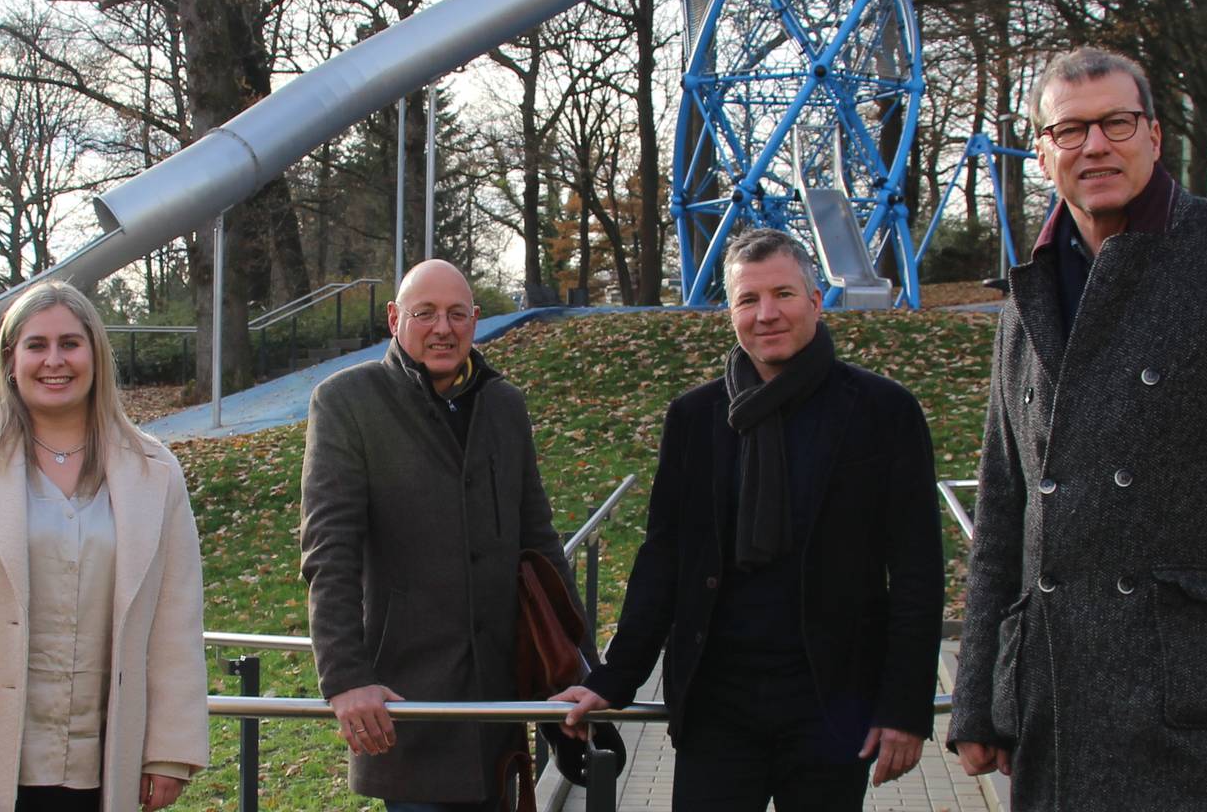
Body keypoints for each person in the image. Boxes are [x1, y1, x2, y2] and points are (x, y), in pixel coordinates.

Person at [947, 47, 1207, 810]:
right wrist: (980, 696)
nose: (1094, 146)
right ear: (1042, 151)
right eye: (1069, 131)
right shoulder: (1025, 293)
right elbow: (1005, 508)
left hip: (1200, 692)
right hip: (1057, 700)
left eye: (1116, 123)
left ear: (1155, 135)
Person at [552, 228, 944, 811]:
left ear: (815, 300)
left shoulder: (881, 411)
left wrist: (905, 707)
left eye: (783, 294)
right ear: (728, 312)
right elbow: (665, 556)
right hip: (717, 705)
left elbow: (916, 568)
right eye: (747, 300)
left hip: (832, 704)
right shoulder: (696, 417)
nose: (766, 314)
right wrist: (615, 678)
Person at [0, 281, 208, 812]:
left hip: (98, 762)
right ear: (9, 359)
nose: (55, 361)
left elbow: (175, 620)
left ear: (96, 355)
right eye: (36, 345)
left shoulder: (153, 470)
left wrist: (169, 750)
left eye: (70, 344)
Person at [302, 259, 569, 811]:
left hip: (499, 702)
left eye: (456, 314)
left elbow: (539, 544)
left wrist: (577, 668)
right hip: (408, 703)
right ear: (395, 318)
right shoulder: (349, 402)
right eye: (425, 313)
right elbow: (330, 551)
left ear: (475, 320)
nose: (442, 328)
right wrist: (346, 678)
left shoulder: (504, 404)